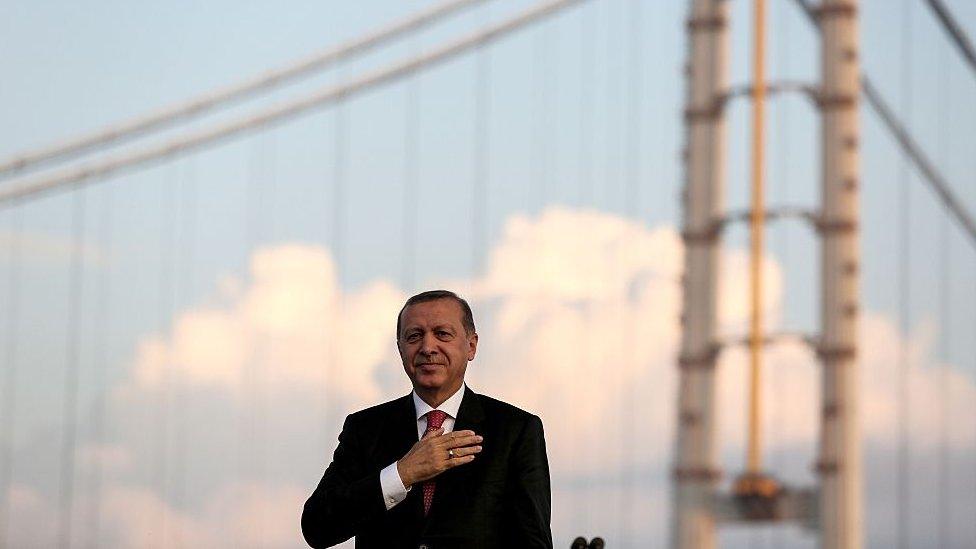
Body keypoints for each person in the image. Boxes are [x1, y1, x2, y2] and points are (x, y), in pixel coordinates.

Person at [302, 290, 553, 548]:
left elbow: (533, 540)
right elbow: (317, 527)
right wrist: (401, 474)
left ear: (471, 345)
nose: (427, 347)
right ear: (400, 349)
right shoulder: (365, 428)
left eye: (442, 334)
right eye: (414, 336)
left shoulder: (515, 429)